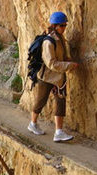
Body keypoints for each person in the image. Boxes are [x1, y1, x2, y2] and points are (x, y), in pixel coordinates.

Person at [27, 11, 78, 142]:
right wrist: (69, 65)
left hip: (58, 78)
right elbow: (51, 63)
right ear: (55, 26)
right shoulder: (48, 42)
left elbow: (58, 57)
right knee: (41, 101)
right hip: (47, 77)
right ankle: (32, 124)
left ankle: (59, 131)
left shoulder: (60, 39)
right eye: (62, 25)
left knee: (60, 102)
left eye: (65, 25)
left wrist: (67, 60)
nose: (64, 28)